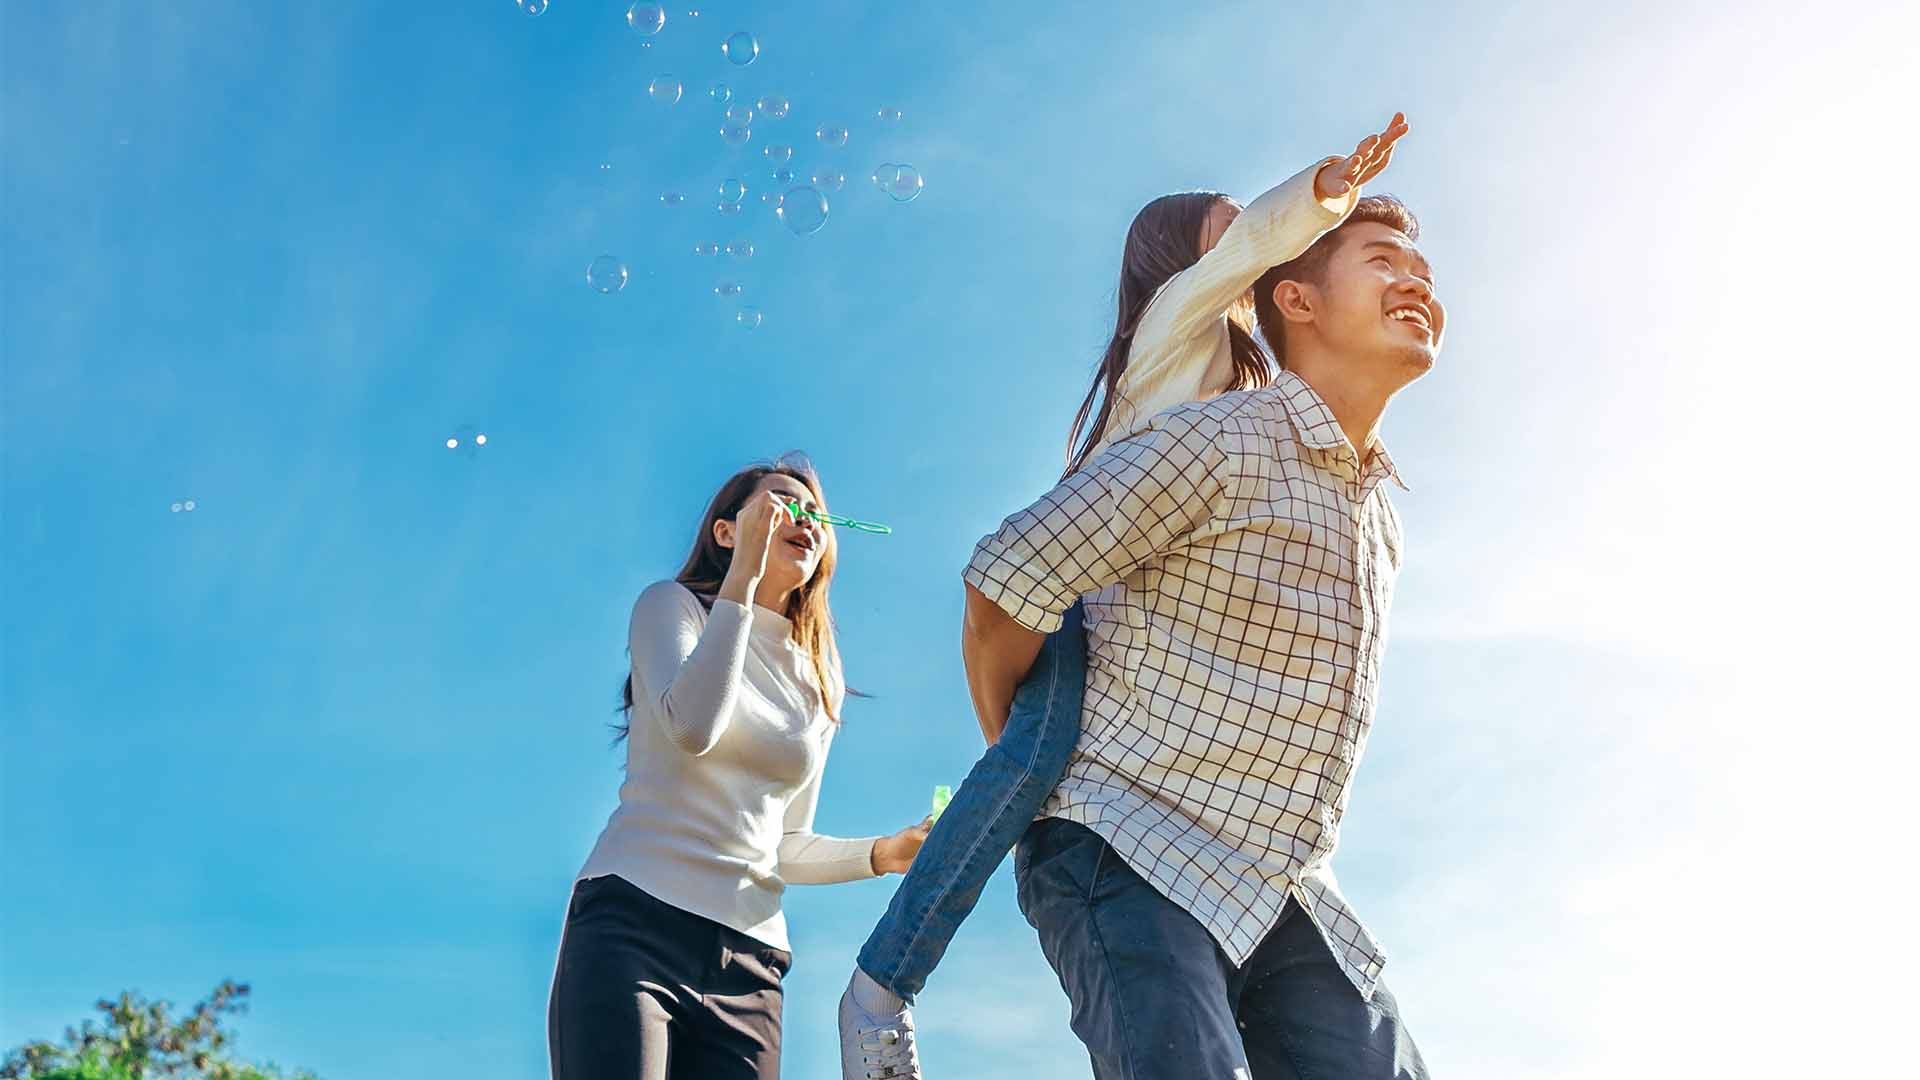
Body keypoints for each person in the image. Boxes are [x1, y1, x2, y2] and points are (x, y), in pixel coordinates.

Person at [838, 116, 1412, 1080]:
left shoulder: (1263, 407)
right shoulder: (1179, 326)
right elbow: (1012, 577)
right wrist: (1323, 193)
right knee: (1020, 776)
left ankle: (888, 980)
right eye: (1230, 237)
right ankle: (881, 988)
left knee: (1018, 777)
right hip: (1075, 616)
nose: (1256, 251)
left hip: (1125, 614)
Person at [974, 191, 1445, 1078]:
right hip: (1129, 837)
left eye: (1421, 269)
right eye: (1384, 260)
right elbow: (1006, 583)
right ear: (1294, 299)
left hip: (1282, 878)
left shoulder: (1380, 514)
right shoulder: (1214, 431)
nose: (1416, 280)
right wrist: (1026, 766)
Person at [551, 456, 931, 1080]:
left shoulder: (818, 678)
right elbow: (691, 727)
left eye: (817, 513)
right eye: (782, 503)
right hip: (632, 925)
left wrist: (883, 853)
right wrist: (744, 584)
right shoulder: (670, 608)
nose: (806, 519)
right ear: (728, 532)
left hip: (751, 964)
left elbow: (784, 844)